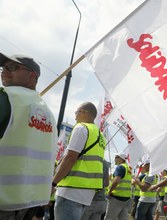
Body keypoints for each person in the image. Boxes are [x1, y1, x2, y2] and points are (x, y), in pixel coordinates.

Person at [0, 53, 57, 219]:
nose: (4, 71)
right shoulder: (49, 115)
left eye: (12, 67)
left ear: (32, 75)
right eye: (3, 68)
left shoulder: (7, 97)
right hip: (29, 202)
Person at [53, 102, 105, 220]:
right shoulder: (100, 135)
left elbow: (71, 157)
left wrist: (53, 183)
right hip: (87, 193)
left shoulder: (81, 127)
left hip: (71, 189)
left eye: (77, 112)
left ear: (84, 113)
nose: (75, 116)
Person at [104, 153, 132, 220]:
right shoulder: (128, 168)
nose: (115, 159)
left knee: (109, 218)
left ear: (120, 158)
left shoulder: (120, 167)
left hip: (117, 197)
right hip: (126, 198)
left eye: (116, 157)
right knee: (123, 218)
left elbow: (116, 181)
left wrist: (109, 192)